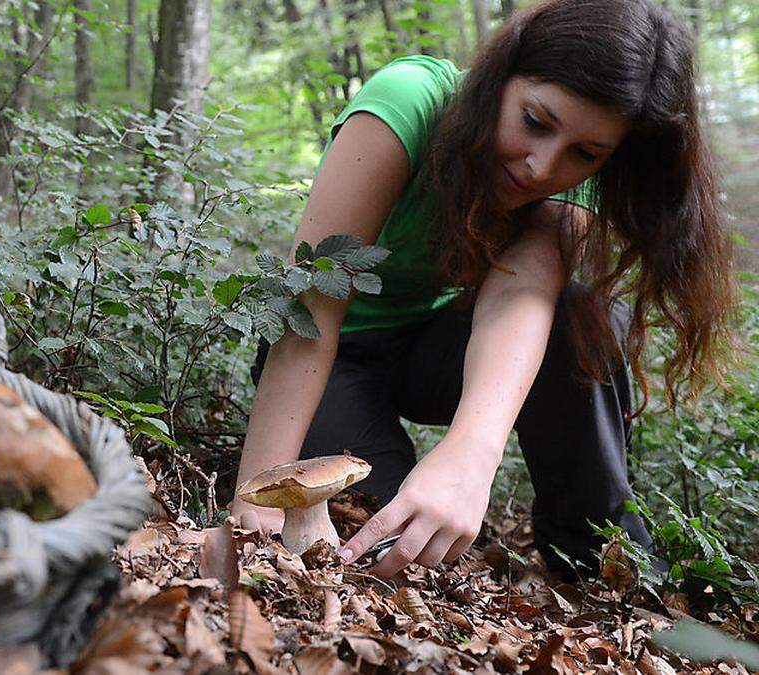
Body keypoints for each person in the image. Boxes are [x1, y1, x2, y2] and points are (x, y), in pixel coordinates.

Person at [228, 0, 737, 579]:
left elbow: (520, 302)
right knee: (377, 537)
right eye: (535, 122)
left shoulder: (578, 184)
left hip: (438, 350)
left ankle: (605, 563)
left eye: (584, 153)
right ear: (500, 78)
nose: (543, 167)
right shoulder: (408, 103)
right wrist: (255, 499)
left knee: (582, 317)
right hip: (338, 350)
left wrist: (472, 455)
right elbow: (312, 308)